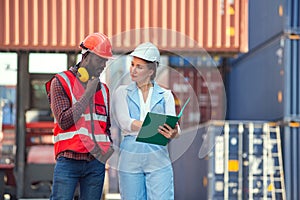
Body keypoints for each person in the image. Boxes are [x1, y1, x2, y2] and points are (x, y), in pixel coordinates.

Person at [45, 32, 114, 200]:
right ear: (86, 56)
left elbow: (106, 126)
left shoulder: (104, 90)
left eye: (105, 60)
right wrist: (87, 95)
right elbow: (64, 121)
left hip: (95, 163)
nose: (103, 65)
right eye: (100, 59)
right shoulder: (61, 82)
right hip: (69, 161)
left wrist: (108, 149)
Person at [112, 42, 179, 200]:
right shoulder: (122, 92)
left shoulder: (166, 95)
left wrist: (174, 132)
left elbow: (176, 129)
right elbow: (125, 122)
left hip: (158, 156)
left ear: (150, 71)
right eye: (132, 64)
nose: (133, 70)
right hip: (130, 156)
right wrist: (154, 125)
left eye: (139, 67)